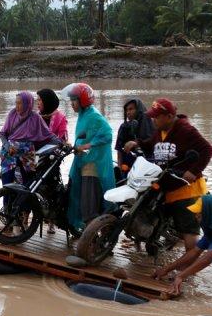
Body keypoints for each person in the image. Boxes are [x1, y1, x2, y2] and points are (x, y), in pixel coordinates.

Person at [123, 98, 212, 251]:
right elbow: (151, 145)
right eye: (152, 116)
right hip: (166, 184)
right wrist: (137, 143)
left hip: (186, 189)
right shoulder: (160, 131)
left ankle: (187, 270)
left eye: (157, 116)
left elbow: (207, 149)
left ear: (170, 116)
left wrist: (193, 170)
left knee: (189, 231)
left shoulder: (187, 130)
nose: (153, 119)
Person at [65, 83, 115, 231]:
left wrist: (87, 146)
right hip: (85, 163)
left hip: (93, 167)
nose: (72, 104)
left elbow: (107, 135)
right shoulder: (83, 116)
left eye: (74, 100)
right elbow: (84, 136)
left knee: (89, 206)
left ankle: (93, 243)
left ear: (83, 101)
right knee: (83, 203)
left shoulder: (94, 116)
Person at [0, 92, 58, 191]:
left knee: (26, 185)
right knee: (7, 185)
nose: (17, 106)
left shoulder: (35, 117)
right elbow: (2, 134)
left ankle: (24, 205)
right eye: (16, 103)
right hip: (10, 154)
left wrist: (60, 142)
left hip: (26, 155)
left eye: (20, 103)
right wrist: (8, 147)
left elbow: (48, 135)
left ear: (27, 104)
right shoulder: (12, 114)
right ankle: (6, 206)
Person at [37, 88, 68, 234]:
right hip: (35, 156)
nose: (38, 103)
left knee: (51, 188)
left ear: (47, 101)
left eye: (40, 100)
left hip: (51, 159)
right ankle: (25, 217)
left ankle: (51, 222)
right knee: (31, 186)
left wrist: (54, 147)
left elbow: (62, 139)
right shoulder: (36, 117)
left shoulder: (60, 118)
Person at [114, 98, 155, 179]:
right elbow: (119, 150)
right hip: (127, 167)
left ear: (139, 110)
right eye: (126, 110)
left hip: (146, 167)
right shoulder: (123, 127)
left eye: (131, 109)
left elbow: (153, 145)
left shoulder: (150, 125)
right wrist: (119, 168)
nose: (128, 112)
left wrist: (136, 143)